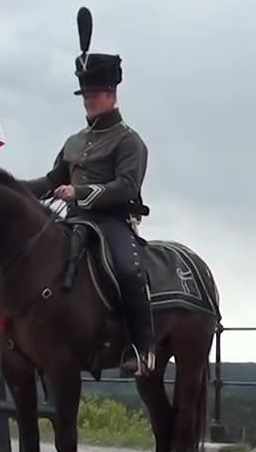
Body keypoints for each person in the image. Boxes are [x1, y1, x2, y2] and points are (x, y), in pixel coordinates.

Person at [18, 44, 155, 377]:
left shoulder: (129, 141)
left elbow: (126, 186)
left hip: (111, 222)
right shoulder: (74, 141)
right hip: (73, 222)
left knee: (127, 270)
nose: (88, 100)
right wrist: (10, 189)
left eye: (94, 94)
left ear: (112, 95)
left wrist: (79, 192)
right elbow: (51, 181)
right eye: (85, 95)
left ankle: (142, 348)